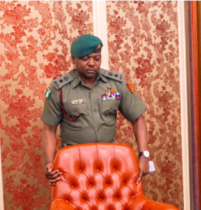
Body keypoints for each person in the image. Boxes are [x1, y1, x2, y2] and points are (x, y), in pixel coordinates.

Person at [41, 34, 150, 186]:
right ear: (73, 59)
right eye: (85, 59)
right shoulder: (60, 89)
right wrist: (51, 162)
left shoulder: (115, 84)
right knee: (76, 208)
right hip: (73, 165)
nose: (92, 63)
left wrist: (144, 156)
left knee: (110, 208)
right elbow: (49, 129)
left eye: (96, 58)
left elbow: (138, 118)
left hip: (109, 163)